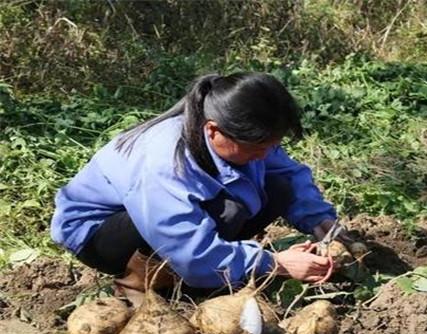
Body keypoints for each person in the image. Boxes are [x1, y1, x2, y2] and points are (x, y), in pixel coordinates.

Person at [51, 72, 348, 304]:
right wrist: (273, 263)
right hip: (99, 235)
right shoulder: (163, 161)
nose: (265, 154)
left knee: (279, 186)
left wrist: (319, 219)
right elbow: (185, 243)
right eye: (257, 147)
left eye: (271, 145)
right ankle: (140, 284)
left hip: (166, 222)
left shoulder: (243, 136)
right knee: (227, 211)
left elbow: (290, 174)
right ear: (213, 130)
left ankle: (209, 273)